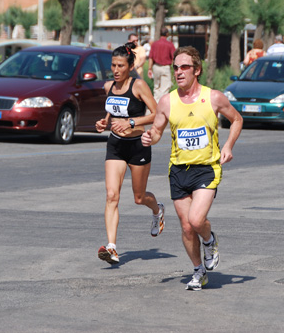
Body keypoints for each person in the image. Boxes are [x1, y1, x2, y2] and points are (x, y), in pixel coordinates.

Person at [141, 46, 243, 291]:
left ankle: (209, 239)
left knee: (197, 220)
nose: (178, 72)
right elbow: (157, 131)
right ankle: (199, 270)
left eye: (185, 67)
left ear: (197, 70)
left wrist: (228, 146)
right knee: (186, 226)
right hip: (178, 170)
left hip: (207, 168)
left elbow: (237, 119)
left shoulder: (213, 97)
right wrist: (149, 138)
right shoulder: (167, 101)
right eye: (175, 67)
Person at [95, 42, 165, 265]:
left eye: (120, 66)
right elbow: (111, 110)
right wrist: (103, 122)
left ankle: (157, 210)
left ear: (130, 66)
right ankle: (112, 247)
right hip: (115, 146)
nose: (115, 70)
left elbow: (156, 114)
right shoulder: (109, 87)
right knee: (111, 195)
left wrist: (131, 122)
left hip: (138, 145)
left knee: (138, 197)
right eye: (113, 65)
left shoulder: (139, 86)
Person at [147, 27, 176, 101]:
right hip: (165, 67)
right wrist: (174, 69)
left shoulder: (154, 44)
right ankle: (162, 103)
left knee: (156, 87)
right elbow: (174, 57)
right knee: (165, 87)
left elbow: (151, 57)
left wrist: (149, 69)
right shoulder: (170, 44)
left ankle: (156, 103)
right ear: (167, 34)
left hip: (156, 67)